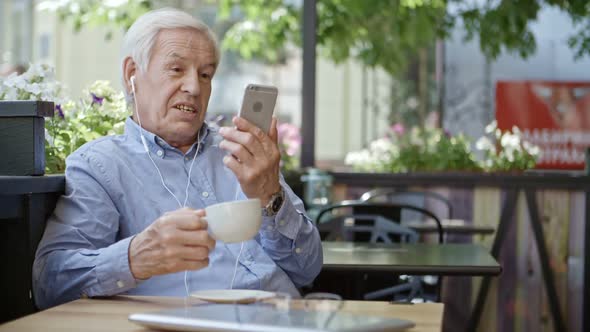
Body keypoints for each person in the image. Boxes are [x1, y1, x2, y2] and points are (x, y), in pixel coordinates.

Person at [33, 8, 322, 309]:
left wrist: (270, 196)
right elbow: (50, 285)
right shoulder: (100, 166)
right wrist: (134, 258)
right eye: (176, 70)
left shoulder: (244, 154)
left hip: (287, 318)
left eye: (205, 74)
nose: (195, 88)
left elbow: (308, 269)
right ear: (132, 74)